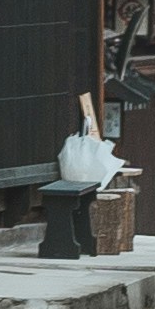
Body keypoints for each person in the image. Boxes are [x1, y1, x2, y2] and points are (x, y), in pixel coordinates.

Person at [39, 109, 120, 259]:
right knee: (70, 205)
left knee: (81, 204)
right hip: (72, 182)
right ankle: (72, 243)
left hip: (78, 181)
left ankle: (81, 241)